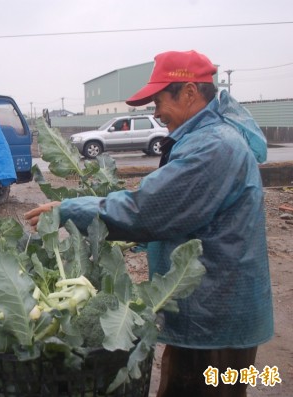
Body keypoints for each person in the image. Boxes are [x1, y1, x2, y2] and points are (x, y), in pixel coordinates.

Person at [25, 50, 273, 397]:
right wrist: (135, 241)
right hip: (208, 308)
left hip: (215, 316)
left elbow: (148, 210)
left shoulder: (213, 147)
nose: (155, 113)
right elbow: (187, 216)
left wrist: (69, 210)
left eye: (158, 101)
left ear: (189, 92)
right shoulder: (206, 138)